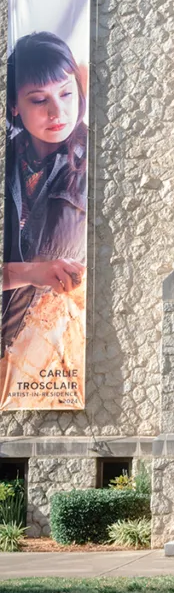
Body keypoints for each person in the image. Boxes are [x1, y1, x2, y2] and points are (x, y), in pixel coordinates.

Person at [2, 31, 88, 357]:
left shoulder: (97, 164)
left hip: (57, 359)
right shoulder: (8, 163)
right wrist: (32, 272)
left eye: (66, 94)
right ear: (14, 106)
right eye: (39, 100)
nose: (57, 112)